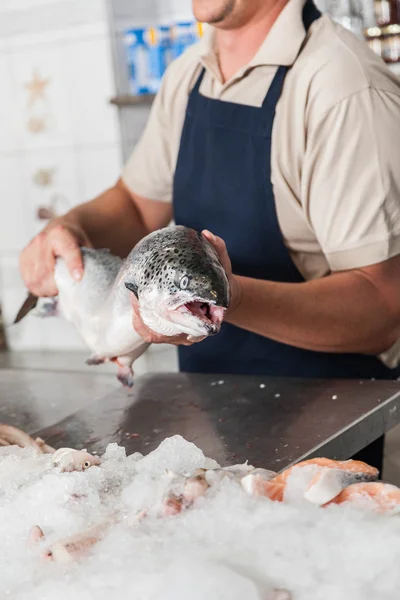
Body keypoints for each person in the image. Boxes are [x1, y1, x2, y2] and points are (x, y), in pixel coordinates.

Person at [19, 0, 400, 469]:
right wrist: (69, 229)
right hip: (206, 418)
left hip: (322, 442)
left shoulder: (342, 87)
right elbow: (138, 204)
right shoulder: (190, 73)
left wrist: (224, 296)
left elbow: (384, 307)